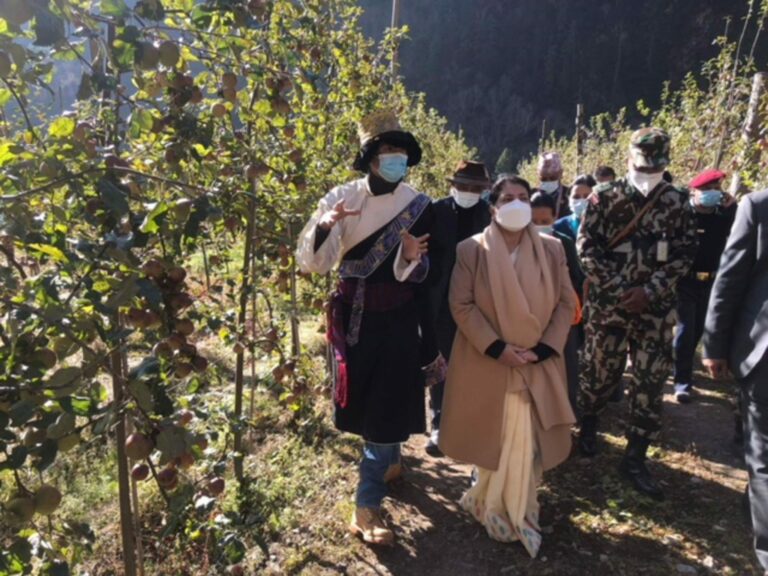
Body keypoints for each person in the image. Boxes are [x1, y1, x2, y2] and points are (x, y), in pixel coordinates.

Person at [296, 110, 442, 546]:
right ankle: (390, 461)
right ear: (371, 157)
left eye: (401, 151)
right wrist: (326, 226)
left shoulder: (419, 205)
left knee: (386, 404)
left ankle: (366, 505)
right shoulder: (342, 197)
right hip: (354, 321)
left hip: (399, 321)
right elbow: (314, 262)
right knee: (371, 406)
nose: (396, 158)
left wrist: (410, 258)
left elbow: (427, 274)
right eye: (388, 150)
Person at [439, 174, 576, 558]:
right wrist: (497, 347)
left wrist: (545, 348)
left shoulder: (552, 249)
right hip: (489, 361)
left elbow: (566, 303)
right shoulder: (472, 249)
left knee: (527, 442)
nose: (516, 204)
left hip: (535, 362)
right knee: (496, 437)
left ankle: (519, 511)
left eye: (522, 197)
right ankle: (490, 502)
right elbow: (461, 304)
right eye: (507, 198)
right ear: (493, 207)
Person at [576, 128, 697, 500]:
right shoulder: (603, 197)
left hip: (654, 312)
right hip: (608, 308)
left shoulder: (677, 201)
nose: (647, 175)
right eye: (642, 168)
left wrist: (650, 291)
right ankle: (588, 428)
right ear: (629, 160)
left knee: (649, 383)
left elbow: (685, 252)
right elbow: (586, 248)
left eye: (654, 169)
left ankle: (635, 458)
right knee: (599, 373)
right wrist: (618, 289)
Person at [701, 190, 768, 574]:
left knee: (763, 460)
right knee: (763, 455)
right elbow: (730, 278)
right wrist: (714, 344)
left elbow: (731, 277)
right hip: (764, 356)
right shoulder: (759, 207)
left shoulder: (757, 205)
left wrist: (715, 346)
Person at [426, 160, 492, 456]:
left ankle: (470, 425)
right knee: (442, 363)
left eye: (475, 188)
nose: (468, 192)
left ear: (483, 190)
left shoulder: (490, 215)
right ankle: (439, 422)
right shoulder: (435, 212)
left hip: (478, 304)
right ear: (452, 186)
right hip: (441, 303)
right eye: (463, 186)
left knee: (476, 363)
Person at [672, 169, 736, 403]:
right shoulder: (683, 215)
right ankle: (682, 382)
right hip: (684, 281)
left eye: (717, 189)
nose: (713, 193)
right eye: (707, 189)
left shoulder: (722, 216)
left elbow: (738, 232)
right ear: (694, 191)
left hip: (710, 281)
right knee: (686, 330)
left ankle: (679, 364)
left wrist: (732, 208)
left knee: (698, 329)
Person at [531, 191, 585, 414]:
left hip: (561, 313)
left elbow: (576, 279)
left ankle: (567, 413)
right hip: (530, 314)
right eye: (534, 221)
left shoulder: (564, 242)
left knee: (566, 363)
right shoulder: (517, 242)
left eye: (545, 221)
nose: (539, 226)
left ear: (554, 218)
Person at [554, 174, 597, 242]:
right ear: (569, 199)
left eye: (587, 196)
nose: (581, 201)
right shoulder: (558, 227)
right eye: (576, 197)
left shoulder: (605, 227)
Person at [537, 152, 571, 219]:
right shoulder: (532, 195)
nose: (548, 181)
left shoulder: (569, 194)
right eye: (543, 179)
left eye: (553, 178)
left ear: (560, 174)